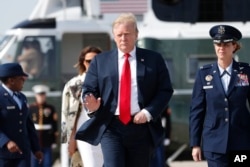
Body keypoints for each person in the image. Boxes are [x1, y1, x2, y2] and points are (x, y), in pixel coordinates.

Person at [76, 13, 173, 167]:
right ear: (114, 37)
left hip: (141, 127)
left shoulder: (153, 59)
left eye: (127, 34)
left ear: (136, 34)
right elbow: (89, 89)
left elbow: (165, 90)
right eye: (119, 35)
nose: (123, 38)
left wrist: (148, 112)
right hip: (111, 127)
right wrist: (91, 105)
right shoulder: (101, 62)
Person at [189, 25, 250, 167]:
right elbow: (196, 111)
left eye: (226, 44)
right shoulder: (204, 74)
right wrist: (195, 144)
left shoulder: (246, 72)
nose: (221, 48)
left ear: (234, 46)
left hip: (241, 141)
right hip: (214, 143)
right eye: (218, 44)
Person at [61, 46, 103, 167]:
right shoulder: (73, 85)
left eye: (97, 60)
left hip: (107, 133)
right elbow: (66, 115)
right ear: (83, 62)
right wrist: (69, 141)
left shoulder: (109, 81)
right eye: (89, 61)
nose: (93, 64)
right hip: (83, 134)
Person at [0, 63, 43, 167]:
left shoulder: (22, 97)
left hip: (23, 153)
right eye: (22, 78)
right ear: (11, 80)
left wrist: (36, 148)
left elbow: (28, 125)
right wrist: (6, 142)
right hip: (3, 155)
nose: (24, 81)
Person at [29, 84, 58, 167]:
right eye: (39, 95)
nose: (41, 97)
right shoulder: (31, 108)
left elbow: (54, 125)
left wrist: (54, 140)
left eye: (43, 95)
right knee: (34, 163)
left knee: (47, 163)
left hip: (47, 140)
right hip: (34, 140)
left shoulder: (50, 108)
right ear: (36, 96)